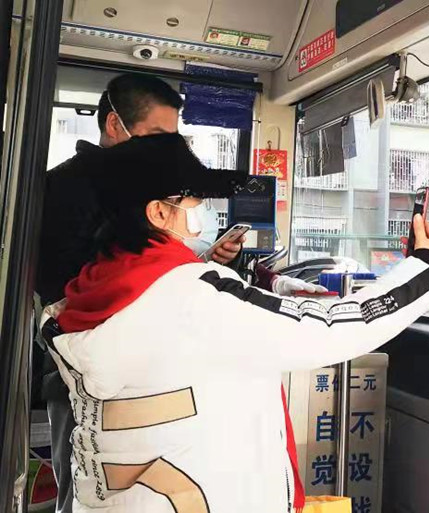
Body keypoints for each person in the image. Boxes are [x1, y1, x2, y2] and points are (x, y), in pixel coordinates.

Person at [40, 133, 429, 512]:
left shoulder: (93, 290)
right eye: (195, 199)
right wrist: (422, 265)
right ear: (159, 212)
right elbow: (329, 328)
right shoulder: (190, 297)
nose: (203, 208)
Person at [35, 73, 319, 513]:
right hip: (89, 367)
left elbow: (152, 273)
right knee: (90, 481)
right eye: (156, 135)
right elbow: (69, 283)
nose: (166, 147)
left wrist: (203, 264)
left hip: (152, 373)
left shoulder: (143, 191)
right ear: (114, 125)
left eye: (173, 137)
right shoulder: (67, 188)